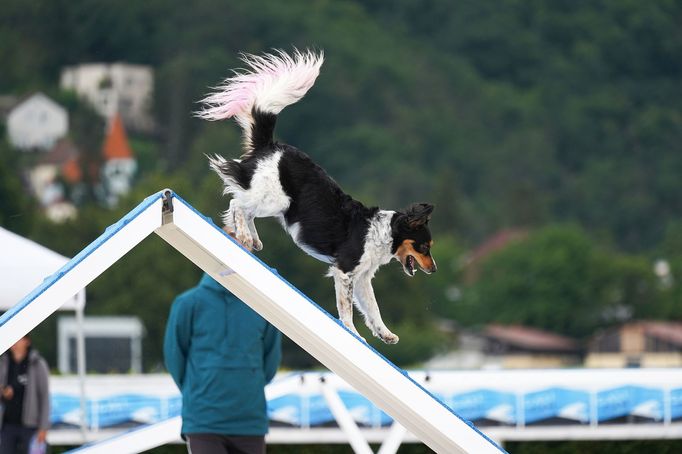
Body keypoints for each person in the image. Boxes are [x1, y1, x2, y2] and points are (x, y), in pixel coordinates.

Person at [164, 271, 282, 454]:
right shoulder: (188, 303)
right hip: (204, 422)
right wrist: (197, 389)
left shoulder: (263, 306)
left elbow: (270, 360)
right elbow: (174, 357)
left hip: (250, 421)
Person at [0, 334, 50, 454]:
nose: (15, 343)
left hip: (30, 426)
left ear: (27, 341)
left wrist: (43, 427)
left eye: (19, 339)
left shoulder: (37, 364)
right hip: (7, 425)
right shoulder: (3, 362)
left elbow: (44, 397)